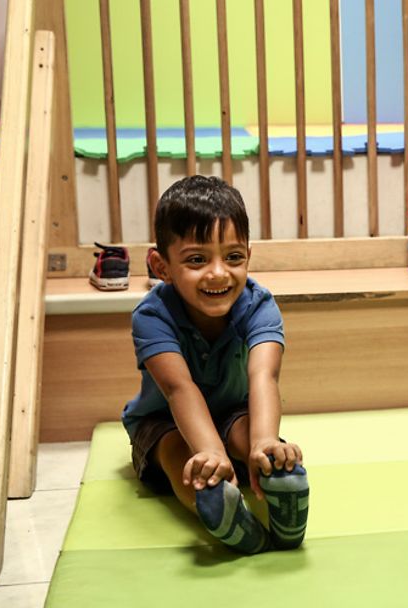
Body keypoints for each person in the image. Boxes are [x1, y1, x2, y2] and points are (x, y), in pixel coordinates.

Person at [123, 175, 308, 554]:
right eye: (196, 259)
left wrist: (264, 441)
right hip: (164, 420)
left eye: (234, 257)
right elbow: (179, 389)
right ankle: (226, 517)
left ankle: (283, 496)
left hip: (233, 410)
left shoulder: (259, 304)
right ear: (162, 266)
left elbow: (263, 376)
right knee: (181, 456)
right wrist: (211, 453)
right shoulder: (152, 315)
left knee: (249, 435)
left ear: (249, 257)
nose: (219, 273)